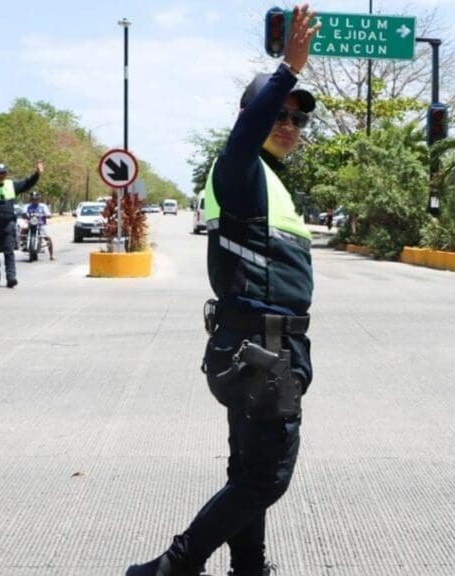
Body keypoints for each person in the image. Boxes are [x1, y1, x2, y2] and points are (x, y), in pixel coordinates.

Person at [125, 5, 320, 576]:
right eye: (277, 114)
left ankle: (249, 568)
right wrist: (288, 69)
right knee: (267, 477)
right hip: (261, 349)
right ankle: (174, 566)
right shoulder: (238, 168)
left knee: (247, 474)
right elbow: (245, 134)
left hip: (264, 347)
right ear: (251, 118)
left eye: (297, 119)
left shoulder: (269, 181)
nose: (288, 125)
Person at [23, 191, 54, 260]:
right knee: (22, 231)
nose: (35, 200)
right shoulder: (27, 206)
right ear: (31, 199)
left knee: (48, 238)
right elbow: (24, 213)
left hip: (40, 224)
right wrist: (24, 215)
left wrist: (48, 215)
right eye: (33, 199)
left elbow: (47, 213)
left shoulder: (43, 206)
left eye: (36, 199)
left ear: (39, 199)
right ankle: (24, 245)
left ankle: (51, 255)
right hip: (30, 224)